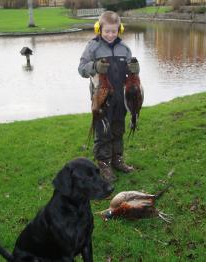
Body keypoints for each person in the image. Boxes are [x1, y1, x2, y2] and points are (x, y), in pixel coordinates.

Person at [78, 11, 140, 182]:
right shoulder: (93, 47)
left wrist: (134, 69)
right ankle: (104, 164)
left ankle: (117, 159)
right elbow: (81, 69)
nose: (111, 35)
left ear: (119, 29)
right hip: (102, 99)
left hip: (121, 98)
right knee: (103, 131)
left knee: (118, 129)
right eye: (107, 31)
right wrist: (95, 66)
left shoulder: (125, 48)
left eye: (114, 31)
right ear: (99, 29)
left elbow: (130, 72)